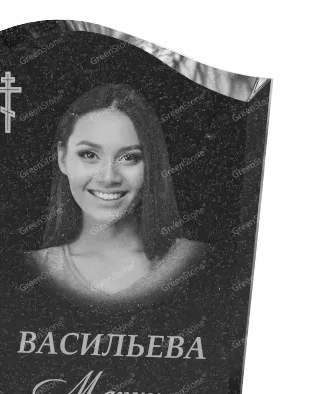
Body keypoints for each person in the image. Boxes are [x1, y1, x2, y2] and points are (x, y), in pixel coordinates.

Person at [28, 84, 204, 303]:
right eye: (89, 155)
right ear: (62, 157)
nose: (108, 177)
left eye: (129, 157)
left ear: (151, 163)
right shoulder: (29, 269)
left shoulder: (199, 261)